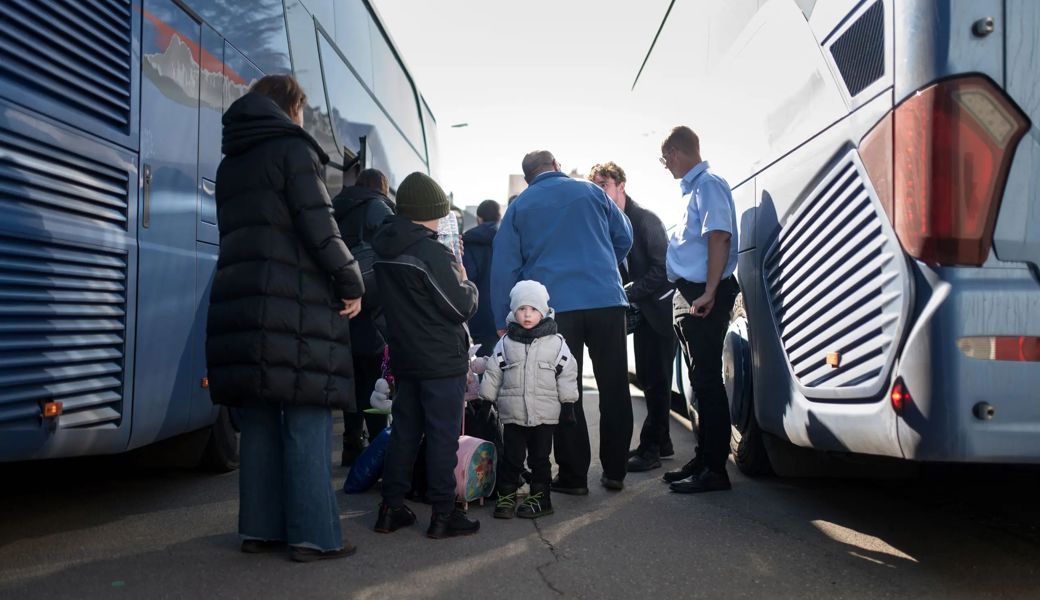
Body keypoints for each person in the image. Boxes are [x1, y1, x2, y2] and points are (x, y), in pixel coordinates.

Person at [206, 74, 363, 562]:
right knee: (305, 417)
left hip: (242, 302)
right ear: (291, 107)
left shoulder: (231, 162)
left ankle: (259, 529)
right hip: (293, 305)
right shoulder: (293, 150)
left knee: (258, 421)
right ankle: (313, 535)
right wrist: (350, 281)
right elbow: (319, 225)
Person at [491, 150, 634, 493]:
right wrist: (603, 266)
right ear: (556, 165)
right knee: (615, 386)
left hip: (556, 308)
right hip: (606, 300)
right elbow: (625, 236)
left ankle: (573, 476)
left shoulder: (520, 207)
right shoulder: (592, 191)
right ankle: (615, 471)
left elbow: (504, 267)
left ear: (528, 178)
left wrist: (502, 318)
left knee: (565, 391)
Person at [369, 171, 481, 539]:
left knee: (404, 432)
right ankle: (443, 514)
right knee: (441, 437)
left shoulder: (382, 248)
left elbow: (377, 306)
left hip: (406, 356)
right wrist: (464, 278)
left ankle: (391, 509)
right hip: (440, 359)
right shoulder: (431, 252)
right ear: (431, 211)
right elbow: (461, 305)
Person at [658, 126, 740, 494]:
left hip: (704, 293)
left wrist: (709, 291)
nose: (666, 167)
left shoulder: (708, 184)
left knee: (707, 380)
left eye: (665, 160)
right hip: (690, 291)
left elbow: (719, 236)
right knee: (698, 381)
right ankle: (704, 459)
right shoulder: (693, 190)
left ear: (675, 153)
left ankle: (715, 469)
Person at [588, 162, 677, 472]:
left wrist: (628, 292)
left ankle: (651, 450)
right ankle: (662, 442)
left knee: (657, 382)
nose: (600, 192)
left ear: (621, 185)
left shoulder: (645, 220)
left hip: (661, 313)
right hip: (643, 315)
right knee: (650, 380)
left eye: (604, 185)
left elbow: (663, 269)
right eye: (596, 187)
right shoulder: (611, 224)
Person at [479, 281, 579, 519]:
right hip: (513, 414)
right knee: (511, 458)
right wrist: (486, 400)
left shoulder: (556, 344)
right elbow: (493, 372)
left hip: (544, 416)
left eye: (533, 309)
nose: (527, 314)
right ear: (514, 311)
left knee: (540, 459)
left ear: (543, 311)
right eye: (522, 309)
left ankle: (541, 498)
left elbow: (567, 373)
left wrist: (568, 404)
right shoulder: (506, 343)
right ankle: (506, 496)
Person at [332, 169, 395, 467]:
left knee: (352, 381)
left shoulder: (337, 205)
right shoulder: (377, 206)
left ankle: (351, 444)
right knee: (375, 382)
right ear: (382, 187)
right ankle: (377, 448)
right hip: (371, 306)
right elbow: (393, 244)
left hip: (343, 302)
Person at [462, 199, 502, 356]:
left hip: (478, 313)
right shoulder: (507, 239)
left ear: (479, 218)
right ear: (499, 218)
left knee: (482, 362)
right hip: (504, 311)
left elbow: (468, 277)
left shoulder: (468, 241)